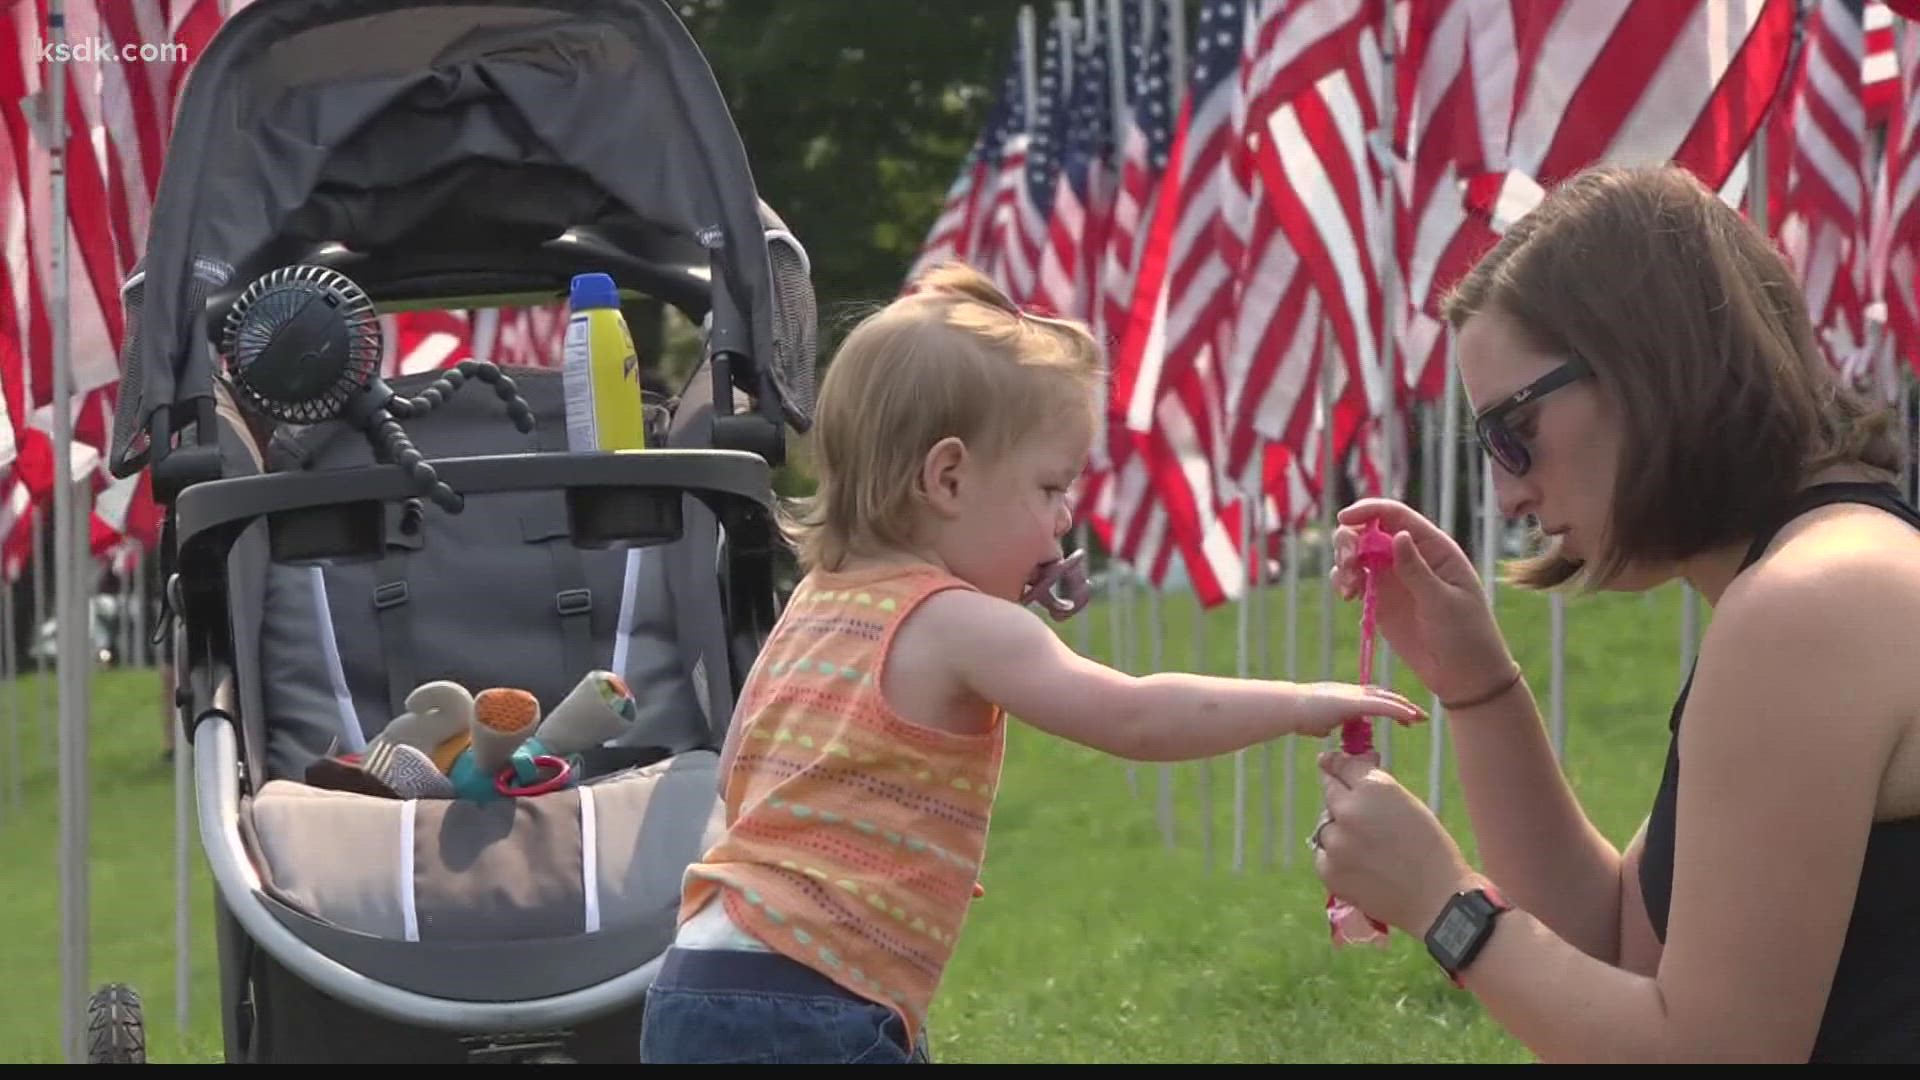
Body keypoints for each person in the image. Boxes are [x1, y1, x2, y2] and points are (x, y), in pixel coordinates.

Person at [638, 262, 1427, 1064]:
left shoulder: (815, 602)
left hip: (697, 980)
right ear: (947, 478)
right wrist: (1299, 701)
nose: (1068, 512)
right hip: (811, 1003)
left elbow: (740, 763)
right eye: (1051, 486)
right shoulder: (959, 622)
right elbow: (1135, 715)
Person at [1308, 164, 1920, 1063]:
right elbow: (1623, 946)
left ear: (1645, 364)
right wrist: (1476, 686)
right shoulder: (1824, 573)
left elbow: (1716, 1055)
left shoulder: (1808, 607)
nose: (1506, 492)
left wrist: (1446, 906)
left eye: (1510, 432)